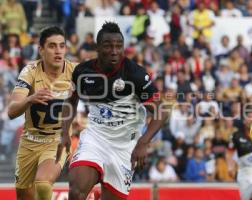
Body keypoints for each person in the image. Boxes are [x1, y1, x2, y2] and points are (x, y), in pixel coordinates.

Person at [56, 21, 168, 200]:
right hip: (96, 138)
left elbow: (162, 111)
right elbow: (71, 100)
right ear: (98, 48)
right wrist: (64, 132)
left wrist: (143, 142)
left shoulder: (135, 74)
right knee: (76, 192)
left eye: (119, 46)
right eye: (108, 46)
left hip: (125, 147)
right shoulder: (82, 72)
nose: (114, 51)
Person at [7, 26, 76, 200]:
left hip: (57, 140)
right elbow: (11, 111)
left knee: (43, 183)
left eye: (62, 46)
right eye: (52, 46)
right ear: (41, 50)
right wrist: (30, 99)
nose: (58, 51)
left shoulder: (76, 71)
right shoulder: (29, 72)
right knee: (24, 196)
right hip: (29, 142)